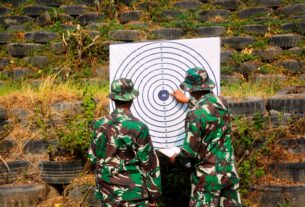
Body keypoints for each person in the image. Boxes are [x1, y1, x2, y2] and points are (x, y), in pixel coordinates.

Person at [171, 67, 241, 207]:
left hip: (208, 177)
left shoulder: (194, 114)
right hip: (229, 170)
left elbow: (189, 152)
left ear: (190, 89)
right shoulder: (222, 102)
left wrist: (175, 159)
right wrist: (187, 100)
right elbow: (208, 107)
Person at [88, 78, 161, 207]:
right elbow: (149, 164)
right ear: (132, 98)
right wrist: (154, 194)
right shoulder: (138, 127)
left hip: (107, 191)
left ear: (113, 99)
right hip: (134, 193)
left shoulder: (99, 124)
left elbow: (92, 158)